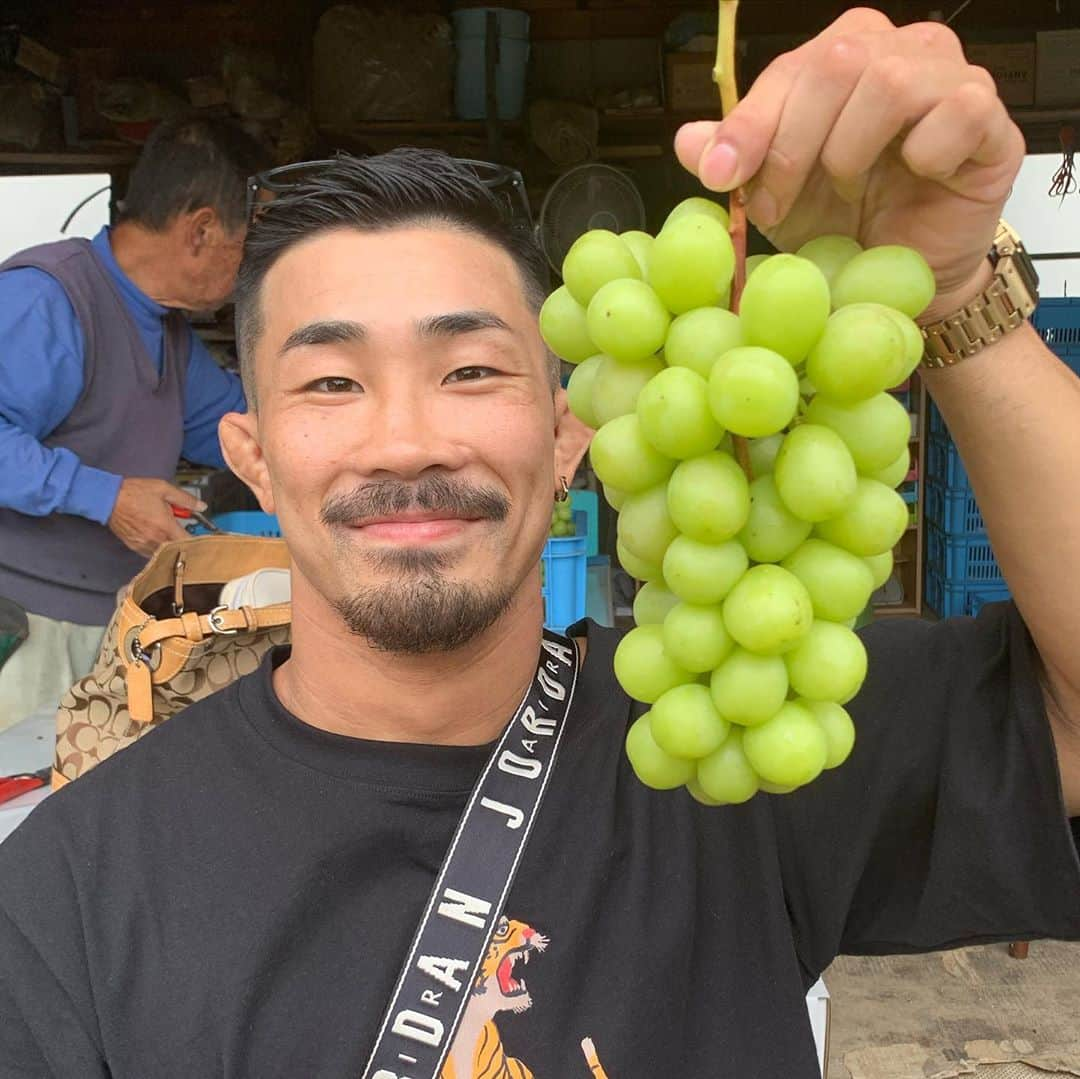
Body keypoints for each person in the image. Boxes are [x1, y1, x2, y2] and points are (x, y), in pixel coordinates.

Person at [1, 10, 1079, 1076]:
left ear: (570, 435)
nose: (408, 438)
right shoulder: (72, 885)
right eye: (331, 381)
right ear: (253, 455)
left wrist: (955, 290)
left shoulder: (731, 743)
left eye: (471, 369)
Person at [0, 116, 267, 728]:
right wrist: (108, 497)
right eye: (246, 248)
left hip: (110, 614)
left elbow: (230, 426)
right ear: (200, 229)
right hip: (25, 623)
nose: (247, 273)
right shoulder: (50, 296)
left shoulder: (166, 328)